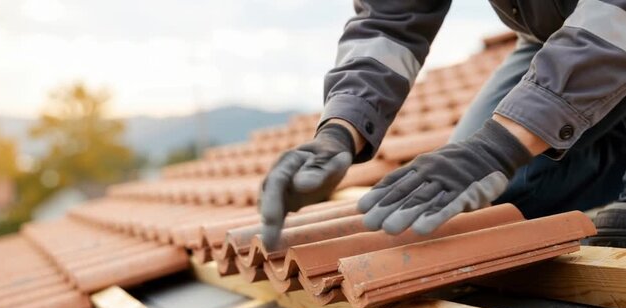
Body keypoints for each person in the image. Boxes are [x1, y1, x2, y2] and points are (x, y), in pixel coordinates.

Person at [258, 0, 626, 251]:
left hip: (612, 19)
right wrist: (339, 131)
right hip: (555, 37)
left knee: (496, 159)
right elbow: (390, 22)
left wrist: (498, 147)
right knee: (484, 193)